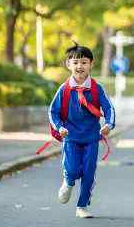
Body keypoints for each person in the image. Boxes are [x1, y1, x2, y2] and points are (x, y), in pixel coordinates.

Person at [48, 43, 115, 218]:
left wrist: (108, 124)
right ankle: (68, 182)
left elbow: (109, 109)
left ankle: (82, 206)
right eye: (75, 62)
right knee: (71, 169)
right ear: (68, 64)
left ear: (91, 64)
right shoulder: (64, 89)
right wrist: (59, 127)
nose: (80, 66)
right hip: (70, 137)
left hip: (92, 137)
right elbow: (52, 112)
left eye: (84, 62)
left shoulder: (96, 88)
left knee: (89, 171)